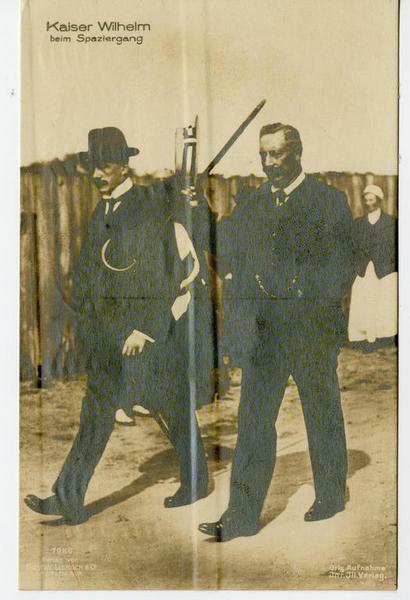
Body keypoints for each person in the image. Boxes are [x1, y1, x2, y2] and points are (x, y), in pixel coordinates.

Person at [25, 127, 208, 524]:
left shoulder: (145, 208)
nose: (96, 175)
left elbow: (164, 274)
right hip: (108, 336)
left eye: (104, 167)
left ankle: (196, 479)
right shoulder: (101, 211)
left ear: (124, 166)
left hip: (143, 333)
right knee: (95, 413)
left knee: (170, 405)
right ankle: (68, 497)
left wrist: (145, 329)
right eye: (92, 167)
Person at [199, 122, 356, 541]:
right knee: (253, 419)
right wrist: (198, 210)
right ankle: (241, 515)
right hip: (264, 332)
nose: (268, 163)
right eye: (263, 155)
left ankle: (330, 493)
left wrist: (306, 296)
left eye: (276, 154)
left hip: (310, 330)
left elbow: (343, 266)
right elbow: (224, 243)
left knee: (321, 411)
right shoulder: (253, 203)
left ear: (297, 153)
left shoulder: (328, 201)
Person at [348, 184, 397, 346]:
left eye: (371, 200)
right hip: (364, 269)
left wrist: (390, 263)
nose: (368, 203)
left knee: (383, 301)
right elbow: (353, 246)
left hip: (384, 270)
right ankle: (364, 338)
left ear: (379, 201)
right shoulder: (358, 223)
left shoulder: (390, 222)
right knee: (364, 301)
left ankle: (383, 337)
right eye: (366, 200)